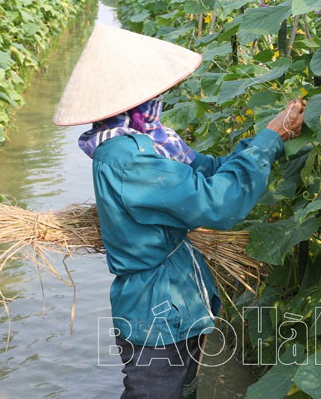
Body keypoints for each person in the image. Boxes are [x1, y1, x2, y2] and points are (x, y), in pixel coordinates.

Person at [53, 24, 305, 399]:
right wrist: (270, 140)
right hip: (155, 313)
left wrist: (264, 139)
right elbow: (217, 203)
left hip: (177, 303)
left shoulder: (147, 142)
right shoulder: (126, 157)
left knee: (180, 389)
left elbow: (207, 171)